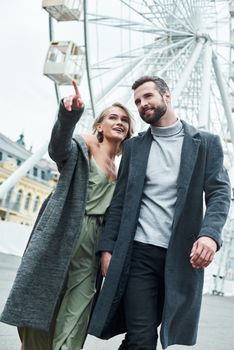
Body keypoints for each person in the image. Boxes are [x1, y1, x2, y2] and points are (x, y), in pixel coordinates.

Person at [88, 75, 231, 350]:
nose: (142, 105)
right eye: (138, 101)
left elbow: (220, 194)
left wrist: (210, 236)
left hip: (180, 258)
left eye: (148, 97)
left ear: (167, 96)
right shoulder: (134, 147)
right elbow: (119, 202)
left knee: (139, 336)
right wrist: (107, 248)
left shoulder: (206, 144)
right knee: (143, 337)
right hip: (138, 254)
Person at [0, 80, 134, 350]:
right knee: (40, 309)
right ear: (99, 125)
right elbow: (57, 148)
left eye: (124, 120)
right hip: (63, 231)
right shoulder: (82, 145)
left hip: (93, 246)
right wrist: (69, 115)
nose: (119, 122)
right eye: (112, 117)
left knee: (77, 314)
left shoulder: (123, 173)